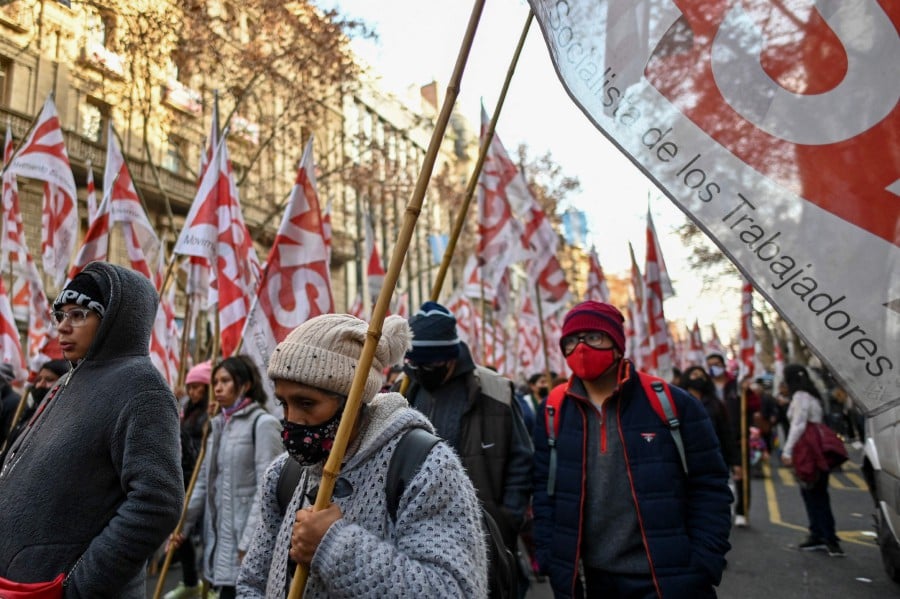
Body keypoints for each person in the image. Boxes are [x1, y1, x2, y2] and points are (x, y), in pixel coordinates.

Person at [237, 314, 488, 597]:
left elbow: (455, 591)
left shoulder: (426, 468)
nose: (293, 419)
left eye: (306, 403)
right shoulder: (283, 474)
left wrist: (333, 545)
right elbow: (253, 581)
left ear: (352, 401)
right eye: (284, 403)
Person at [0, 261, 184, 597]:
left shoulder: (143, 388)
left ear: (116, 317)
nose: (63, 328)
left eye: (79, 314)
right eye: (61, 315)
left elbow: (157, 502)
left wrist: (79, 586)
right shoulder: (73, 378)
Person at [534, 301, 732, 599]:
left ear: (617, 344)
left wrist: (703, 562)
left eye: (594, 337)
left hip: (666, 581)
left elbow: (710, 485)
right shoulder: (553, 410)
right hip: (589, 582)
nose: (582, 348)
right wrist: (552, 557)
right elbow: (544, 490)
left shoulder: (672, 404)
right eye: (571, 341)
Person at [402, 302, 533, 584]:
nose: (422, 370)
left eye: (430, 363)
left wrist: (506, 519)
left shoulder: (495, 391)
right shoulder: (404, 392)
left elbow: (521, 461)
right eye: (416, 363)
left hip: (484, 540)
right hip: (418, 541)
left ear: (451, 357)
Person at [170, 356, 282, 599]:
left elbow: (268, 489)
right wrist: (183, 525)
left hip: (246, 540)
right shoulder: (218, 425)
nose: (217, 388)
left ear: (245, 384)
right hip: (219, 534)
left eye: (225, 381)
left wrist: (250, 540)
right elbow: (202, 482)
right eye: (215, 381)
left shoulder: (263, 424)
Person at [780, 364, 844, 557]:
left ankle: (825, 536)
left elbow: (798, 424)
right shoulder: (813, 395)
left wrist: (787, 450)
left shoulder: (800, 396)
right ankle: (821, 534)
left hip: (808, 447)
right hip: (816, 444)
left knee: (812, 491)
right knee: (818, 491)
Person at [165, 360, 213, 599]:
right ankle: (191, 580)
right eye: (190, 387)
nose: (193, 392)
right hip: (184, 478)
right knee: (179, 533)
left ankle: (210, 585)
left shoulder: (210, 415)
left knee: (208, 536)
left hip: (203, 479)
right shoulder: (187, 410)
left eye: (198, 387)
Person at [680, 366, 741, 486]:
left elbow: (726, 434)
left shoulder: (716, 404)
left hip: (714, 460)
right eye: (695, 375)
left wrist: (736, 462)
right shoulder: (677, 402)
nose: (699, 378)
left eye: (702, 376)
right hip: (686, 462)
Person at [707, 352, 749, 527]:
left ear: (723, 365)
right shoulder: (707, 387)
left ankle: (741, 511)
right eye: (710, 365)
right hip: (716, 437)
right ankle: (722, 507)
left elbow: (751, 406)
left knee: (740, 474)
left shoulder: (736, 385)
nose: (713, 368)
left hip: (738, 437)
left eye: (716, 364)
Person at [0, 359, 69, 457]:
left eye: (49, 380)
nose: (41, 384)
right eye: (39, 379)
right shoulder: (30, 412)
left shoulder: (59, 420)